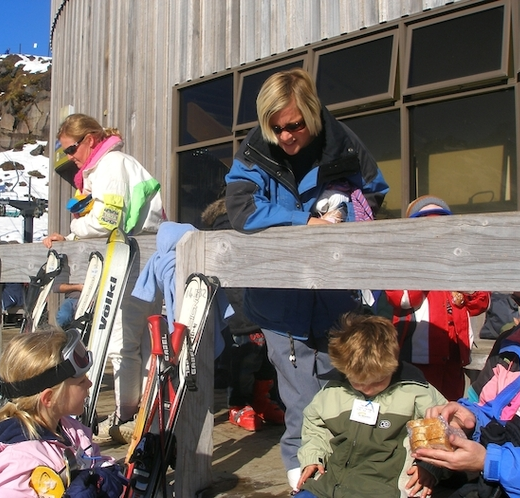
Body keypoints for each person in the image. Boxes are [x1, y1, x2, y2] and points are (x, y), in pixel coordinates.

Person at [224, 67, 389, 491]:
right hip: (282, 303)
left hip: (338, 297)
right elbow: (241, 210)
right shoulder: (254, 150)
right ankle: (307, 486)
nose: (285, 137)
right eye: (276, 127)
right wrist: (305, 220)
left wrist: (346, 211)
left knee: (349, 391)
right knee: (300, 399)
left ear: (312, 113)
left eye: (294, 125)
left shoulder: (344, 142)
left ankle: (350, 477)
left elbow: (374, 192)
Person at [43, 113, 165, 444]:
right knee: (137, 343)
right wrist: (72, 240)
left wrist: (74, 230)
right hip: (144, 260)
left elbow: (108, 220)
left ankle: (127, 414)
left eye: (70, 149)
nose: (69, 158)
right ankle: (140, 411)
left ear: (90, 140)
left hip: (135, 263)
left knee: (122, 345)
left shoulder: (111, 166)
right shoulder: (113, 165)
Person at [294, 313, 447, 498]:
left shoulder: (416, 392)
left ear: (393, 365)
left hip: (388, 487)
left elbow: (443, 430)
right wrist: (312, 457)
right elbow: (315, 426)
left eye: (378, 382)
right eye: (357, 383)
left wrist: (429, 466)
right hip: (332, 482)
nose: (367, 389)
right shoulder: (334, 391)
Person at [0, 328, 126, 497]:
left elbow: (92, 459)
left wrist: (105, 473)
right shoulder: (22, 458)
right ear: (49, 398)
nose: (90, 383)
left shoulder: (69, 429)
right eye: (81, 382)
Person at [413, 291, 520, 498]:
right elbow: (489, 409)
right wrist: (468, 418)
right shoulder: (513, 343)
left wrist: (488, 461)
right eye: (519, 301)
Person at [385, 196, 490, 402]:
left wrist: (461, 274)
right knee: (419, 411)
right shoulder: (401, 259)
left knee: (450, 410)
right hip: (417, 357)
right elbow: (404, 299)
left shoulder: (460, 257)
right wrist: (426, 263)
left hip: (454, 356)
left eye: (442, 221)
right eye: (426, 221)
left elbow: (480, 303)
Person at [201, 196, 284, 431]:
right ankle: (238, 403)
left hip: (264, 302)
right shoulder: (226, 229)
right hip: (238, 306)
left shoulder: (256, 224)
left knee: (266, 357)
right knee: (244, 358)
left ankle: (261, 399)